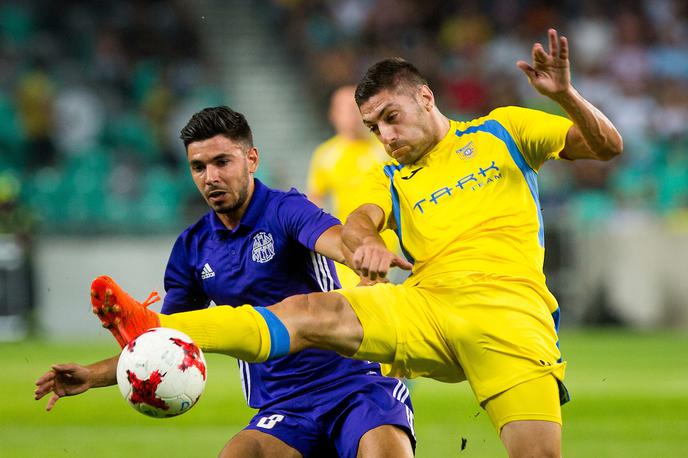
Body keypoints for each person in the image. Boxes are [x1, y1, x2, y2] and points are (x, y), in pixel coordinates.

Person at [81, 29, 621, 457]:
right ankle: (148, 327)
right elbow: (359, 221)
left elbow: (606, 145)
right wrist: (364, 245)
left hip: (510, 316)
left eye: (392, 118)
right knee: (306, 310)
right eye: (374, 126)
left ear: (425, 98)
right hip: (426, 306)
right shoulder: (387, 176)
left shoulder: (502, 131)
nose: (385, 137)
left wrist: (566, 96)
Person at [35, 106, 415, 458]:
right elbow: (167, 341)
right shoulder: (192, 248)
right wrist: (93, 375)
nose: (211, 177)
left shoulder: (285, 209)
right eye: (198, 167)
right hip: (284, 406)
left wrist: (362, 251)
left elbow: (336, 241)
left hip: (356, 384)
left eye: (222, 162)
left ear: (251, 159)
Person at [306, 85, 397, 287]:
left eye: (357, 108)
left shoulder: (386, 148)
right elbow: (314, 202)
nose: (353, 115)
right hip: (349, 250)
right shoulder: (325, 155)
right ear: (333, 114)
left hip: (390, 247)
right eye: (346, 109)